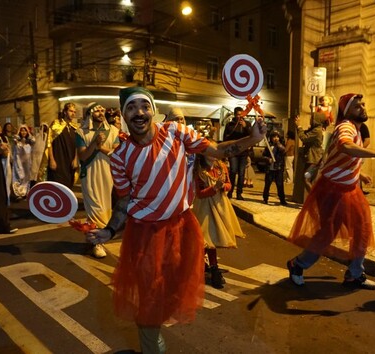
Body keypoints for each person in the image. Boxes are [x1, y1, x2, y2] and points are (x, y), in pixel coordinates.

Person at [86, 87, 266, 354]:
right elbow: (124, 201)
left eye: (144, 106)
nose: (139, 112)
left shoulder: (175, 132)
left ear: (153, 110)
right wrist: (109, 230)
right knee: (148, 297)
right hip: (144, 234)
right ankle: (152, 347)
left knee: (172, 290)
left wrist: (252, 139)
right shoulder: (120, 156)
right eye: (131, 107)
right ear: (124, 115)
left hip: (181, 227)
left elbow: (216, 150)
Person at [286, 93, 375, 290]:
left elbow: (342, 157)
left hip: (350, 189)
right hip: (332, 190)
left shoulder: (358, 129)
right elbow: (345, 146)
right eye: (357, 106)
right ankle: (297, 265)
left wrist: (359, 175)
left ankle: (354, 275)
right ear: (346, 111)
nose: (362, 107)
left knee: (362, 230)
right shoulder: (345, 126)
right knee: (327, 234)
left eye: (363, 104)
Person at [192, 153, 246, 289]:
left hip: (221, 206)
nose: (214, 154)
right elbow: (199, 193)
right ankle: (210, 268)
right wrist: (214, 188)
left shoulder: (221, 167)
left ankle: (202, 265)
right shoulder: (199, 170)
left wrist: (223, 187)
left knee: (212, 239)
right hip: (204, 207)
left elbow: (229, 185)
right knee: (206, 239)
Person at [76, 102, 120, 259]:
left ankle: (97, 237)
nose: (101, 112)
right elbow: (82, 156)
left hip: (107, 173)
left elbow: (116, 152)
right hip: (90, 173)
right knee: (94, 207)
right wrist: (94, 143)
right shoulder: (81, 133)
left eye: (103, 110)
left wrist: (100, 147)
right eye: (97, 110)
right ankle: (96, 243)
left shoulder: (113, 130)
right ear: (89, 114)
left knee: (105, 206)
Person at [223, 107, 252, 200]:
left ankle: (239, 193)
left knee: (241, 172)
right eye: (238, 114)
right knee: (233, 171)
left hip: (243, 151)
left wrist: (245, 127)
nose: (240, 116)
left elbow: (251, 136)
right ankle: (230, 191)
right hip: (233, 151)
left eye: (241, 114)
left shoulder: (247, 124)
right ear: (235, 115)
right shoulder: (229, 125)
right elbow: (225, 138)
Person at [48, 103, 79, 189]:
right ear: (65, 112)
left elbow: (77, 144)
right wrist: (52, 159)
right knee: (58, 186)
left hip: (70, 161)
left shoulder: (75, 128)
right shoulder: (55, 124)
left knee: (69, 185)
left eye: (74, 112)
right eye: (71, 111)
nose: (73, 113)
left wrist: (76, 159)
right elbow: (49, 143)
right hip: (58, 160)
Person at [296, 112, 326, 190]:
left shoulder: (317, 130)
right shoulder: (316, 129)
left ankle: (314, 200)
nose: (310, 120)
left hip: (313, 159)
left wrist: (299, 126)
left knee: (306, 179)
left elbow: (304, 138)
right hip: (313, 159)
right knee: (309, 179)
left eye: (312, 118)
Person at [262, 131, 287, 205]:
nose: (276, 138)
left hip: (278, 168)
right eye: (274, 137)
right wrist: (268, 159)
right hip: (270, 168)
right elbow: (263, 156)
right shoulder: (268, 147)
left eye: (277, 137)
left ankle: (282, 199)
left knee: (280, 185)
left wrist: (278, 144)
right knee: (267, 184)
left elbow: (284, 152)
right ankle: (265, 198)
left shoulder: (281, 146)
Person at [11, 124, 35, 199]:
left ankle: (25, 192)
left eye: (25, 130)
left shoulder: (30, 141)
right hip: (18, 162)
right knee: (18, 176)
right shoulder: (16, 141)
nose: (23, 132)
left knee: (26, 177)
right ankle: (18, 193)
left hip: (27, 163)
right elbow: (14, 150)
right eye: (22, 130)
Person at [359, 123, 371, 195]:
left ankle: (359, 190)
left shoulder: (362, 126)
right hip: (358, 152)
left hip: (359, 152)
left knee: (357, 170)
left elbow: (367, 141)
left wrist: (359, 150)